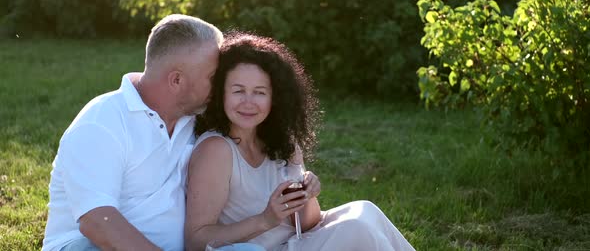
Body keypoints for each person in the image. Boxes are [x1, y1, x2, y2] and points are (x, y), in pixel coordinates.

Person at [42, 15, 263, 251]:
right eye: (213, 78)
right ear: (176, 80)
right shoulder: (101, 122)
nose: (220, 86)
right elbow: (97, 222)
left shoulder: (194, 117)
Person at [185, 32, 415, 251]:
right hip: (264, 249)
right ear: (220, 94)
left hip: (296, 241)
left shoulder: (281, 142)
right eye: (238, 91)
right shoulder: (216, 150)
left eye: (259, 92)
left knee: (365, 210)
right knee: (356, 229)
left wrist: (307, 195)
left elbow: (308, 223)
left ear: (274, 98)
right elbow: (196, 240)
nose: (248, 102)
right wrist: (265, 220)